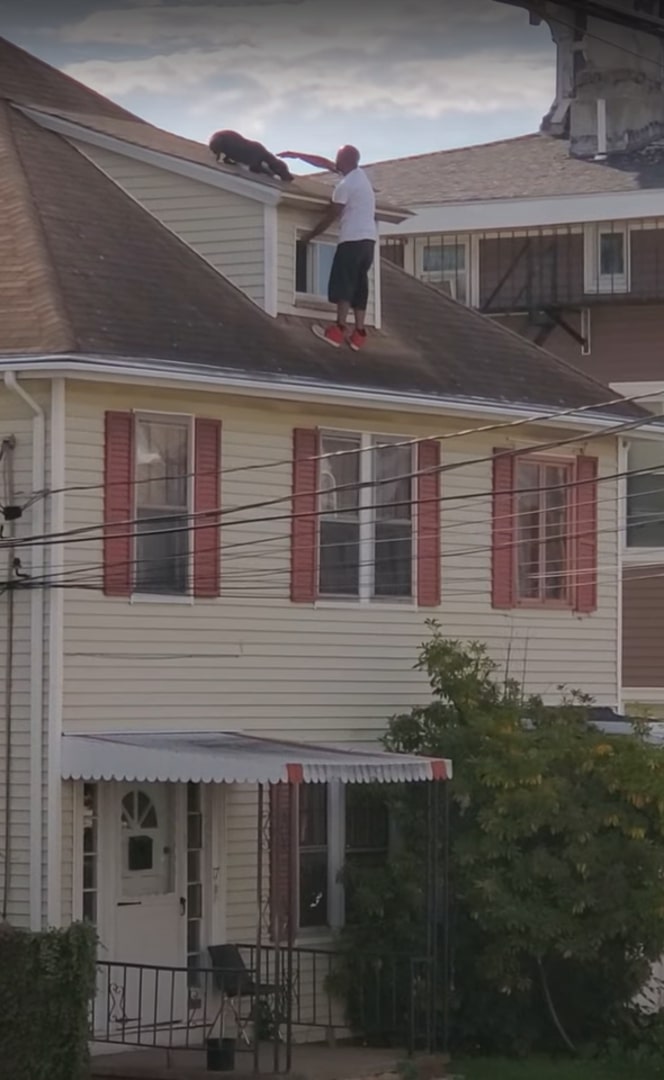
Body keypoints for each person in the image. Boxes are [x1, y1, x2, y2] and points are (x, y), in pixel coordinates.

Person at [295, 145, 376, 351]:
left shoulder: (345, 186)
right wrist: (298, 155)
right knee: (360, 285)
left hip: (351, 240)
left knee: (344, 284)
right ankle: (359, 334)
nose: (335, 162)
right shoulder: (361, 177)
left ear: (345, 161)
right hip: (368, 242)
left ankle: (338, 330)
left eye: (338, 158)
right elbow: (326, 164)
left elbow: (332, 214)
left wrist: (310, 236)